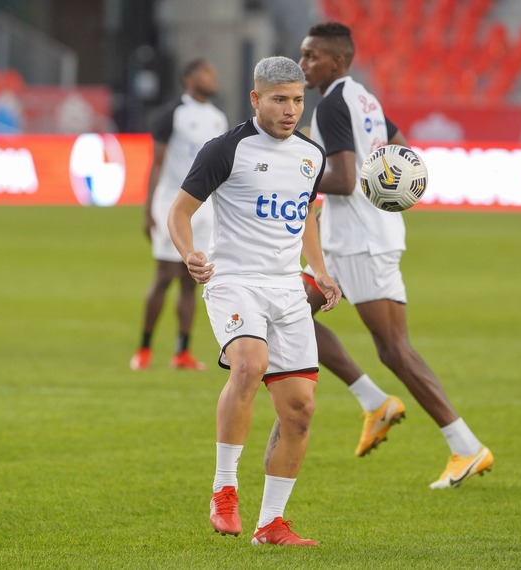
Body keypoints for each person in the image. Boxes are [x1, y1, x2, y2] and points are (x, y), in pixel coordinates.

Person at [298, 22, 493, 489]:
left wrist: (296, 176)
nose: (303, 64)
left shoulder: (331, 106)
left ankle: (465, 446)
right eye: (303, 56)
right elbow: (402, 150)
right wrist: (382, 195)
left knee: (396, 351)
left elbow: (343, 180)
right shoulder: (364, 98)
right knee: (284, 313)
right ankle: (373, 401)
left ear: (337, 61)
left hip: (364, 243)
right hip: (352, 237)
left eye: (311, 56)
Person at [169, 56, 341, 546]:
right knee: (249, 363)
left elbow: (305, 216)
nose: (290, 110)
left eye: (297, 100)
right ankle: (225, 489)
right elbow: (179, 213)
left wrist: (321, 272)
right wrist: (190, 256)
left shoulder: (311, 155)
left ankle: (271, 524)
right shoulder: (227, 149)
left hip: (287, 287)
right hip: (234, 280)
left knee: (300, 410)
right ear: (256, 99)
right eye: (279, 99)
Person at [130, 59, 229, 372]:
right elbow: (157, 162)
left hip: (206, 208)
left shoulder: (218, 118)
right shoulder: (173, 114)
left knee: (192, 280)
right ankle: (144, 348)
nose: (213, 77)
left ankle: (182, 352)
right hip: (173, 204)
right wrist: (149, 210)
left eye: (213, 72)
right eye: (206, 72)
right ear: (188, 79)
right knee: (163, 277)